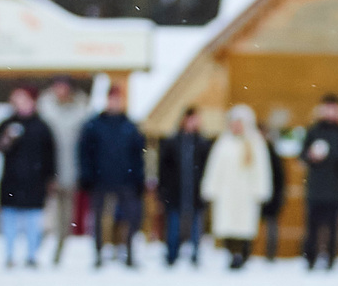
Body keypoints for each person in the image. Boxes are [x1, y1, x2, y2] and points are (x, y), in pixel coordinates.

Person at [77, 84, 147, 267]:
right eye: (112, 99)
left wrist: (139, 178)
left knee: (131, 217)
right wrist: (87, 176)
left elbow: (138, 155)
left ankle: (129, 252)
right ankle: (98, 254)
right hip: (100, 179)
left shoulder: (130, 126)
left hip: (126, 180)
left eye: (118, 99)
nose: (114, 103)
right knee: (98, 219)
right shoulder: (94, 125)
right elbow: (85, 153)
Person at [201, 104, 274, 269]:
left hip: (246, 192)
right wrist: (211, 188)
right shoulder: (223, 143)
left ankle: (243, 254)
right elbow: (215, 168)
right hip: (227, 192)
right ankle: (231, 254)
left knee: (245, 225)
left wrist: (261, 190)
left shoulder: (255, 143)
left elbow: (262, 169)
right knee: (227, 225)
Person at [0, 85, 56, 268]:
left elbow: (50, 156)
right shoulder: (6, 124)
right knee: (10, 220)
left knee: (33, 222)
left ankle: (31, 255)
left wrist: (50, 178)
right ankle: (9, 255)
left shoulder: (42, 127)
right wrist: (7, 138)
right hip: (11, 181)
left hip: (35, 182)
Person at [298, 94, 338, 268]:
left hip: (336, 186)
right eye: (328, 108)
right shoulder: (313, 130)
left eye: (334, 109)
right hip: (316, 186)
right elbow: (302, 154)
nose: (331, 112)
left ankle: (331, 259)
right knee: (312, 226)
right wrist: (310, 156)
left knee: (333, 226)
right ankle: (310, 258)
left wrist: (333, 155)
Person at [38, 76, 92, 266]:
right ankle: (36, 250)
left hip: (71, 172)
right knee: (44, 216)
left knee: (66, 218)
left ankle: (59, 252)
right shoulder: (44, 110)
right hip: (46, 172)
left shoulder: (81, 112)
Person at [155, 108, 211, 266]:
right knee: (173, 225)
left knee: (196, 225)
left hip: (195, 192)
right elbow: (164, 169)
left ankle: (195, 254)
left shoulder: (203, 143)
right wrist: (163, 190)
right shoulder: (173, 142)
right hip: (175, 192)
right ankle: (172, 254)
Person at [258, 107, 297, 261]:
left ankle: (269, 254)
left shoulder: (271, 152)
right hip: (257, 196)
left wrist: (279, 195)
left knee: (271, 226)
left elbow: (280, 176)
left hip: (271, 195)